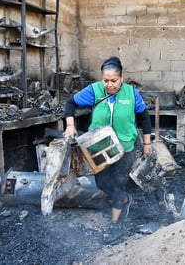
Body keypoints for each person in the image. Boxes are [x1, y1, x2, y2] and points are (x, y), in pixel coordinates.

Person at [64, 56, 152, 244]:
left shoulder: (131, 93)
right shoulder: (94, 91)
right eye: (106, 80)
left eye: (114, 81)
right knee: (102, 182)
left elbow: (144, 118)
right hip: (99, 147)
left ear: (121, 78)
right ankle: (120, 200)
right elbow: (70, 104)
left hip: (126, 147)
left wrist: (147, 144)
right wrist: (70, 125)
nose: (109, 85)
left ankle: (115, 222)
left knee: (117, 182)